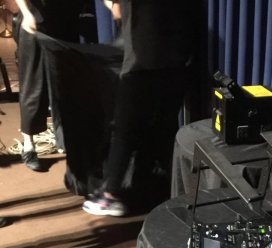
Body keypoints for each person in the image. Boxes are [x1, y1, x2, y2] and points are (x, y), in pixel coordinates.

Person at [82, 0, 198, 216]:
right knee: (165, 130)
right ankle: (177, 193)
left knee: (123, 132)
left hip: (141, 63)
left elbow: (117, 12)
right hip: (177, 61)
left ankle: (110, 196)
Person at [14, 0, 80, 171]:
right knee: (32, 85)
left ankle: (67, 141)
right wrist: (26, 14)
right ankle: (28, 145)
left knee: (65, 84)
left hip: (62, 22)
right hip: (34, 20)